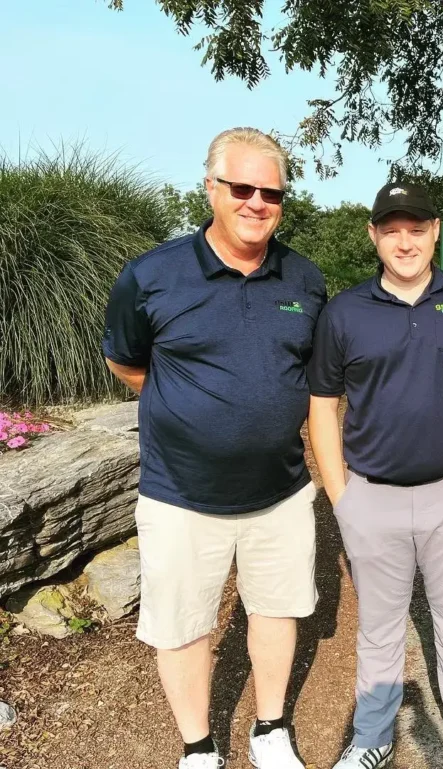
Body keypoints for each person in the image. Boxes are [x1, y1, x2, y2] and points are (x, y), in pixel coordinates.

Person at [103, 127, 326, 769]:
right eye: (242, 188)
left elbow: (312, 380)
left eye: (272, 192)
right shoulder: (151, 275)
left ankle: (271, 729)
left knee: (278, 611)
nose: (257, 203)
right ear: (212, 188)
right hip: (180, 494)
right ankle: (199, 747)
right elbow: (128, 364)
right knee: (182, 623)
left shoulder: (305, 279)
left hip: (280, 492)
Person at [306, 182, 443, 769]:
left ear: (436, 232)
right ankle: (372, 740)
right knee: (379, 627)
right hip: (371, 497)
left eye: (416, 228)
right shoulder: (344, 312)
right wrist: (340, 494)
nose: (405, 241)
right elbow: (322, 405)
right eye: (392, 229)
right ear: (374, 235)